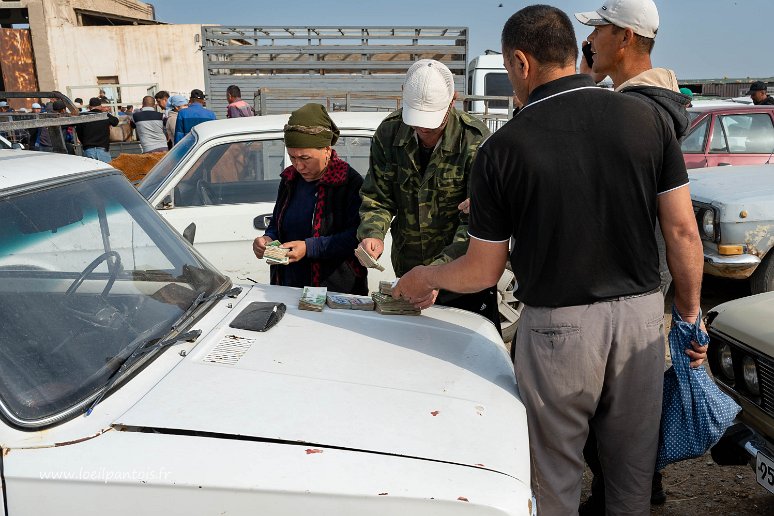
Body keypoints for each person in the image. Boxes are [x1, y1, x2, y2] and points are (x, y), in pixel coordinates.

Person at [393, 6, 705, 515]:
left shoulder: (503, 149)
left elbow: (482, 271)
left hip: (560, 332)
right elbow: (682, 231)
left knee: (553, 479)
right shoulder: (647, 119)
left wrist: (425, 276)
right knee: (631, 479)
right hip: (641, 321)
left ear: (520, 62)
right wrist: (689, 315)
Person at [575, 0, 693, 508]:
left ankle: (623, 493)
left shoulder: (626, 112)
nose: (591, 40)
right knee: (632, 417)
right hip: (646, 288)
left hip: (616, 290)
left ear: (623, 38)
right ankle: (640, 485)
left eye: (598, 30)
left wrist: (690, 311)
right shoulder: (662, 105)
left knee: (603, 419)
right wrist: (685, 308)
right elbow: (681, 229)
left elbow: (683, 229)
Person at [357, 59, 500, 331]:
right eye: (417, 123)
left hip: (462, 281)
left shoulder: (475, 140)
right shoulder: (389, 133)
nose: (423, 131)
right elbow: (377, 196)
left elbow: (476, 222)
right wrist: (373, 232)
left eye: (431, 124)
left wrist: (436, 276)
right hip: (409, 275)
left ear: (453, 101)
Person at [252, 103, 367, 294]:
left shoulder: (348, 182)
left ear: (327, 150)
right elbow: (278, 223)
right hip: (288, 284)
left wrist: (309, 247)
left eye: (305, 158)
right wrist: (267, 238)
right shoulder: (289, 179)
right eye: (292, 157)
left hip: (334, 290)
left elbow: (356, 237)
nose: (299, 166)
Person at [75, 97, 119, 163]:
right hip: (103, 150)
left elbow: (79, 133)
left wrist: (84, 142)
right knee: (106, 172)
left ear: (89, 107)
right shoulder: (105, 115)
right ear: (101, 106)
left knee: (92, 172)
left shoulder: (83, 116)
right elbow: (115, 122)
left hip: (88, 150)